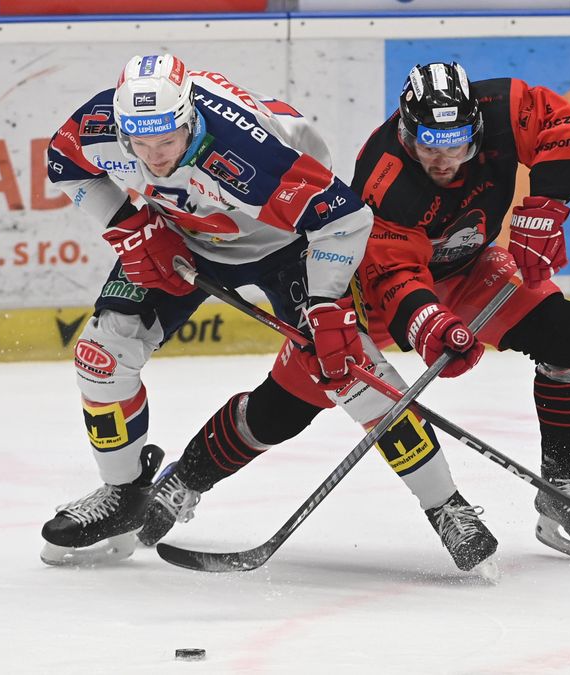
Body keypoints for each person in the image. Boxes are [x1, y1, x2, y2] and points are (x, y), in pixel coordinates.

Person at [39, 53, 496, 572]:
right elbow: (63, 159)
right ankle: (123, 494)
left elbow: (344, 221)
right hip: (182, 235)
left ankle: (446, 506)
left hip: (293, 242)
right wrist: (127, 225)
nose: (156, 156)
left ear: (190, 119)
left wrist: (325, 306)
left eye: (168, 141)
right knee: (102, 354)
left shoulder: (250, 157)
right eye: (140, 144)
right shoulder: (105, 124)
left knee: (350, 368)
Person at [343, 62, 570, 561]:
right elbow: (393, 275)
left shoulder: (503, 108)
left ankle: (562, 483)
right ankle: (183, 480)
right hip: (372, 300)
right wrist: (430, 323)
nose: (444, 160)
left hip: (469, 272)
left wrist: (547, 203)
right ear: (405, 132)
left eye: (459, 144)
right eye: (428, 146)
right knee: (292, 400)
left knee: (568, 330)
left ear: (477, 128)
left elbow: (566, 128)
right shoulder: (383, 177)